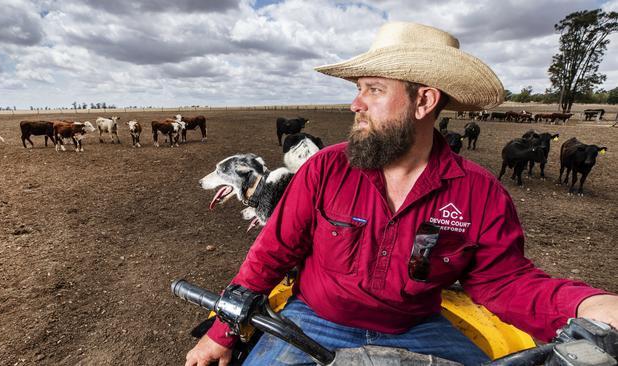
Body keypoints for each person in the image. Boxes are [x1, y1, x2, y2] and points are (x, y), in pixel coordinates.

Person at [185, 22, 618, 366]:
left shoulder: (480, 193)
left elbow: (504, 281)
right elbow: (272, 253)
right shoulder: (325, 169)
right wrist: (222, 331)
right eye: (358, 89)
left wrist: (587, 304)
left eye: (372, 89)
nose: (356, 104)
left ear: (424, 101)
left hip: (418, 328)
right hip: (314, 321)